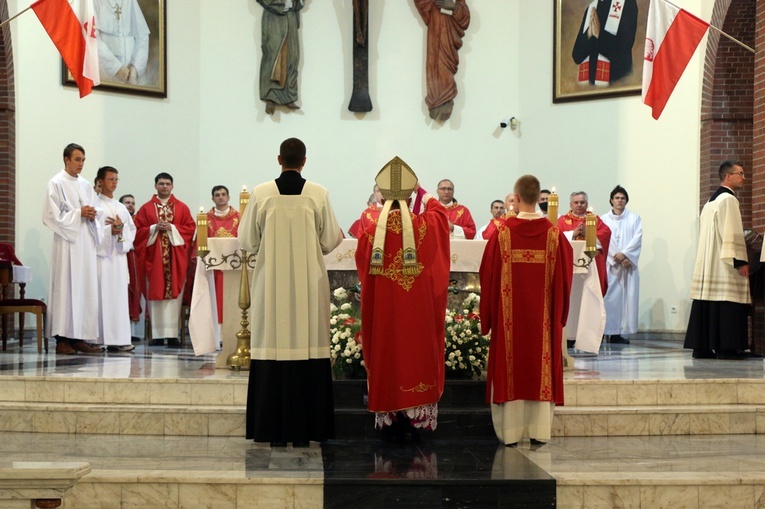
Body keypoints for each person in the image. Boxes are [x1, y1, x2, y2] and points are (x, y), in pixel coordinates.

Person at [238, 137, 343, 447]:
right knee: (308, 343)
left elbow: (247, 241)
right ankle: (310, 429)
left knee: (272, 344)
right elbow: (331, 239)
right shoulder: (318, 194)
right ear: (304, 161)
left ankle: (270, 429)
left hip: (270, 283)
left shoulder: (261, 194)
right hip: (310, 285)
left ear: (279, 159)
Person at [355, 157, 450, 440]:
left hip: (385, 312)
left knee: (388, 352)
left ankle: (390, 418)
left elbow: (363, 269)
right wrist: (423, 192)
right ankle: (416, 419)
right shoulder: (428, 225)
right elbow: (441, 214)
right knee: (415, 353)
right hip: (417, 312)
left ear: (381, 195)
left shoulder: (371, 234)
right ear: (411, 195)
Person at [479, 174, 572, 446]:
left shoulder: (502, 234)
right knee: (540, 363)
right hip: (543, 324)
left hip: (510, 326)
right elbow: (566, 283)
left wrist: (488, 318)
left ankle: (510, 431)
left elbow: (488, 276)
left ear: (516, 198)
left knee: (511, 363)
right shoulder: (555, 236)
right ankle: (539, 430)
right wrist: (559, 317)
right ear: (538, 198)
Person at [42, 143, 105, 355]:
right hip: (67, 243)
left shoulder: (86, 185)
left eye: (83, 160)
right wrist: (78, 214)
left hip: (84, 242)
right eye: (77, 159)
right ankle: (62, 339)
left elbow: (97, 210)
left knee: (84, 288)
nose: (81, 164)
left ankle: (80, 337)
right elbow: (51, 216)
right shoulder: (56, 182)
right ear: (66, 159)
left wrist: (93, 214)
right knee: (66, 288)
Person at [684, 161, 750, 360]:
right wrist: (740, 261)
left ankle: (702, 346)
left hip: (708, 261)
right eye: (740, 173)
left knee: (708, 302)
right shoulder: (728, 200)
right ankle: (727, 347)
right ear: (727, 177)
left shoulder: (711, 202)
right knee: (726, 299)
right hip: (723, 263)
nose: (744, 177)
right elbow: (731, 231)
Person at [133, 173, 195, 348]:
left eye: (167, 184)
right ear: (155, 186)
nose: (164, 186)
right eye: (161, 184)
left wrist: (173, 228)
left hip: (175, 261)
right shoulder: (146, 209)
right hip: (153, 261)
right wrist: (153, 228)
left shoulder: (182, 208)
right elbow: (137, 231)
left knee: (174, 298)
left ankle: (173, 335)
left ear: (172, 186)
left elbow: (190, 229)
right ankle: (158, 335)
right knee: (156, 295)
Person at [95, 167, 136, 352]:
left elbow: (131, 229)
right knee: (101, 296)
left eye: (116, 179)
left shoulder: (120, 207)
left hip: (118, 259)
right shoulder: (95, 205)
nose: (114, 182)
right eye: (110, 179)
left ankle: (119, 338)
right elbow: (90, 231)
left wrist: (121, 230)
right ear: (101, 181)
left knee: (118, 297)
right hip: (102, 258)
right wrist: (109, 230)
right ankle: (99, 338)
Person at [414, 0, 471, 121]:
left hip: (449, 35)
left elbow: (465, 17)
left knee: (445, 69)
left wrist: (454, 7)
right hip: (435, 29)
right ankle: (436, 99)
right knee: (435, 65)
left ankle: (445, 99)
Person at [601, 185, 642, 345]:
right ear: (611, 200)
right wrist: (618, 257)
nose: (620, 200)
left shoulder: (634, 218)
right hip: (611, 266)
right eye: (617, 198)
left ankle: (618, 334)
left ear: (626, 201)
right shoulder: (603, 219)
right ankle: (605, 332)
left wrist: (626, 255)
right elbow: (603, 240)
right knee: (609, 299)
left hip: (628, 266)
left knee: (626, 299)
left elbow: (637, 238)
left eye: (622, 198)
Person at [571, 0, 638, 86]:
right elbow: (577, 56)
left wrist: (600, 34)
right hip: (590, 87)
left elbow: (625, 47)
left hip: (617, 83)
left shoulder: (627, 3)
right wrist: (588, 34)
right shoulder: (591, 9)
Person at [557, 191, 611, 295]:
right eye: (576, 202)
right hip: (570, 265)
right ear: (570, 204)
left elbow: (605, 235)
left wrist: (588, 233)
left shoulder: (595, 220)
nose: (579, 205)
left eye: (582, 202)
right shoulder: (562, 220)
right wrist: (573, 233)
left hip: (591, 265)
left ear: (587, 204)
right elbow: (556, 237)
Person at [258, 0, 304, 115]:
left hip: (291, 14)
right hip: (273, 16)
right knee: (273, 54)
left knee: (292, 56)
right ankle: (270, 97)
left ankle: (289, 96)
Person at [94, 0, 150, 85]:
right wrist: (116, 68)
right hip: (107, 75)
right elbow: (93, 39)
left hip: (131, 76)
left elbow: (142, 36)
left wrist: (135, 68)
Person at [207, 185, 240, 324]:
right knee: (215, 298)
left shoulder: (239, 217)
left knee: (232, 297)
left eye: (223, 194)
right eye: (217, 195)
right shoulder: (206, 219)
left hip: (234, 266)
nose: (220, 197)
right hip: (213, 268)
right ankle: (215, 333)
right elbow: (200, 243)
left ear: (228, 197)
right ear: (212, 198)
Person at [119, 193, 142, 340]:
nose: (130, 205)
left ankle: (131, 332)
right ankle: (120, 331)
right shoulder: (117, 218)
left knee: (133, 294)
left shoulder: (137, 221)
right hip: (120, 257)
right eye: (127, 203)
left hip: (134, 259)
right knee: (122, 293)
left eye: (132, 203)